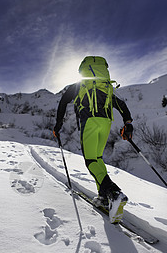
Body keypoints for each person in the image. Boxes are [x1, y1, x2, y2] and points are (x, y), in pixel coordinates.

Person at [53, 56, 133, 207]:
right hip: (106, 123)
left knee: (90, 161)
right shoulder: (105, 86)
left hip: (89, 122)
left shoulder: (80, 85)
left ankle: (114, 192)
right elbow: (121, 104)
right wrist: (128, 124)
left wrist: (58, 126)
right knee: (97, 159)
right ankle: (103, 196)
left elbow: (63, 102)